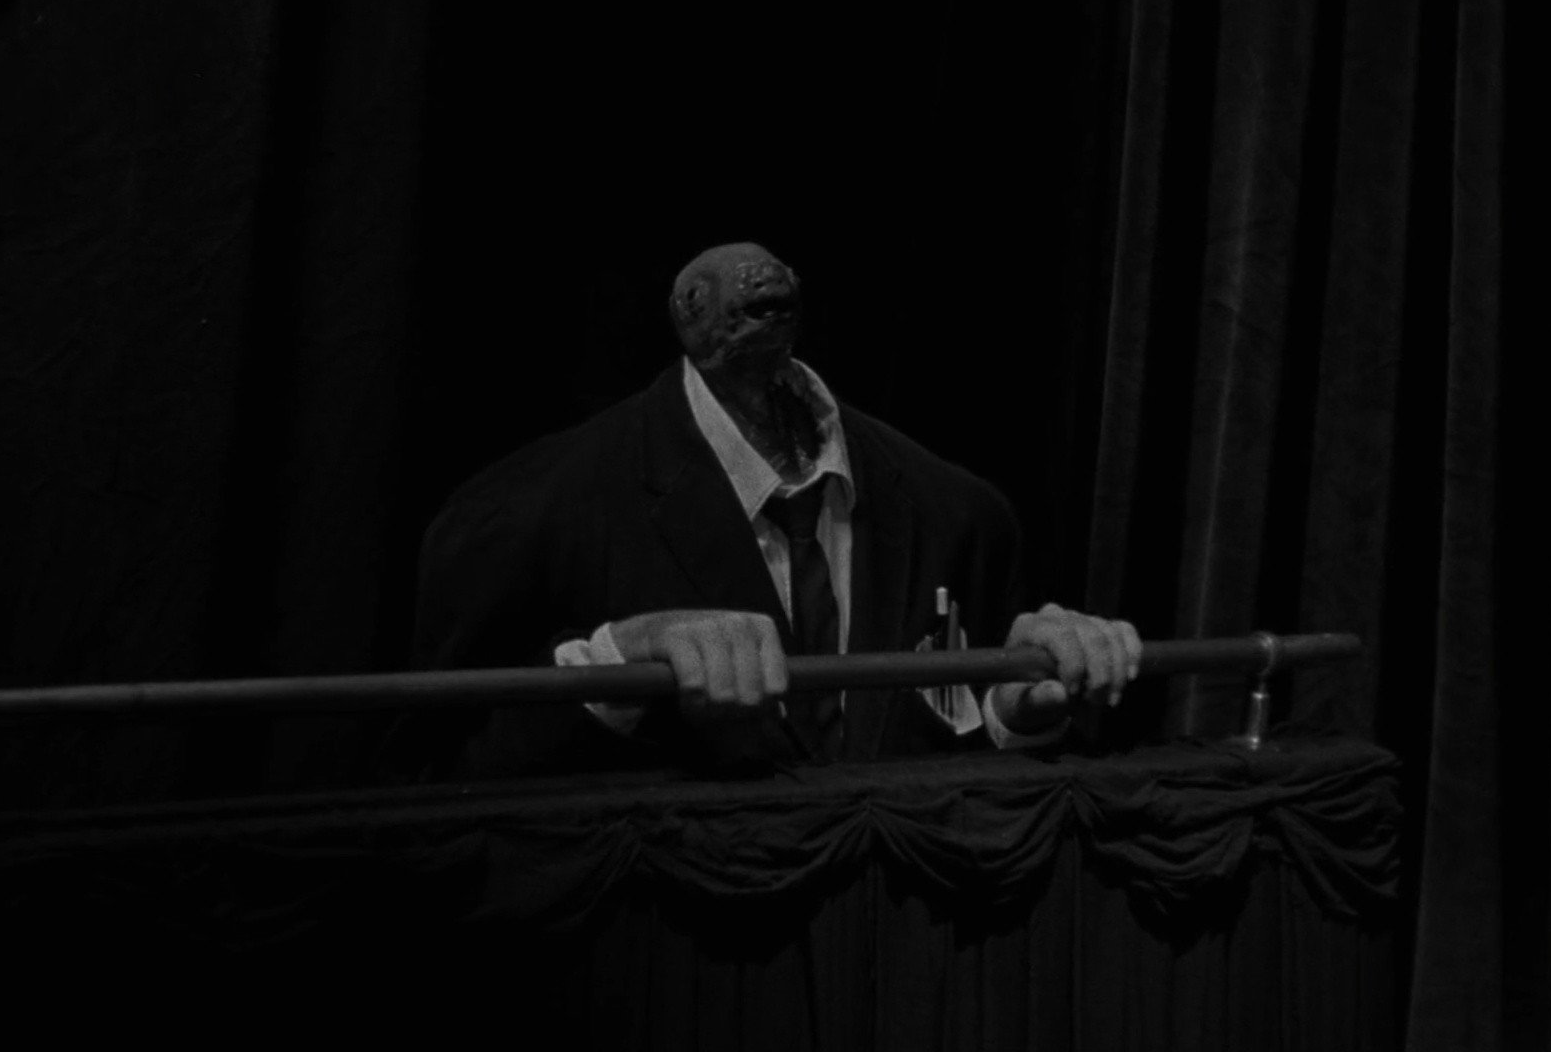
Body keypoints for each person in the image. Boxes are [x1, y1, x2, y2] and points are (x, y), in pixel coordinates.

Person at [393, 241, 1142, 780]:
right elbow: (437, 781)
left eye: (771, 301)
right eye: (733, 303)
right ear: (684, 316)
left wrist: (1017, 717)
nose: (755, 311)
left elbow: (956, 757)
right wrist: (611, 666)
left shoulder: (958, 514)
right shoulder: (528, 513)